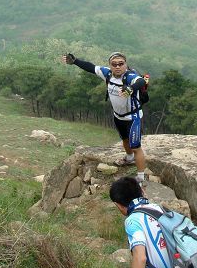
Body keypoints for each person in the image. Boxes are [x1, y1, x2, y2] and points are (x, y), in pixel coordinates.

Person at [63, 51, 147, 184]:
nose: (118, 66)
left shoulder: (130, 76)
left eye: (121, 64)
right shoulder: (107, 73)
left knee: (136, 147)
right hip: (118, 116)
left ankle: (141, 177)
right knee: (125, 140)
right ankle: (129, 158)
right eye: (114, 64)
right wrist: (75, 61)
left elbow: (141, 81)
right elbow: (91, 67)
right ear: (110, 65)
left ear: (126, 65)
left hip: (133, 118)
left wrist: (130, 88)